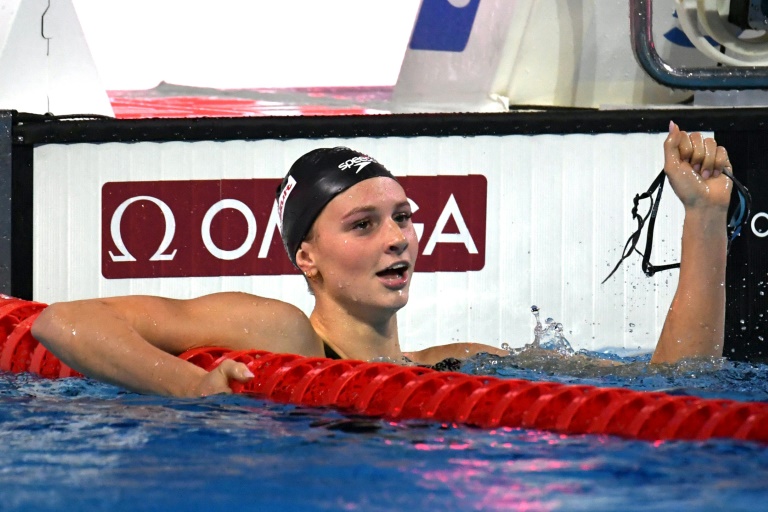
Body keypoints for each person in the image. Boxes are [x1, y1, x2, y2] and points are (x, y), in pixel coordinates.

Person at [30, 121, 734, 397]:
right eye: (362, 224)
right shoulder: (285, 334)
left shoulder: (462, 360)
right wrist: (190, 389)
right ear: (306, 256)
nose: (397, 238)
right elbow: (63, 324)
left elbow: (676, 389)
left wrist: (703, 221)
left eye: (402, 217)